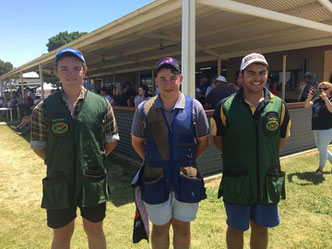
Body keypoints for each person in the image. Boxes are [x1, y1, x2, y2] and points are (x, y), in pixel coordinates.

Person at [30, 47, 120, 249]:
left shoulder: (102, 105)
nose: (71, 73)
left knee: (94, 230)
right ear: (56, 72)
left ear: (84, 70)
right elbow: (38, 146)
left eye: (76, 68)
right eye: (64, 68)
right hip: (59, 179)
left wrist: (90, 158)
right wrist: (58, 160)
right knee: (62, 233)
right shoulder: (43, 108)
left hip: (93, 178)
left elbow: (111, 141)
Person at [211, 53, 291, 249]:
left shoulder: (279, 105)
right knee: (236, 228)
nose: (257, 78)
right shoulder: (225, 107)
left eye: (261, 72)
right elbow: (218, 140)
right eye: (251, 73)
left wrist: (262, 155)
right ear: (241, 75)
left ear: (267, 74)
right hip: (238, 179)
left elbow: (279, 140)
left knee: (261, 227)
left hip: (267, 178)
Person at [131, 57, 209, 249]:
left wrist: (186, 162)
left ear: (180, 78)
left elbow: (203, 142)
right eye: (162, 78)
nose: (168, 83)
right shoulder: (144, 109)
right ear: (156, 81)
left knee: (183, 228)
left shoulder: (195, 107)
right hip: (155, 180)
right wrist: (153, 161)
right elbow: (137, 142)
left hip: (185, 179)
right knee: (159, 228)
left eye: (172, 77)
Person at [304, 81, 332, 175]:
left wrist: (326, 99)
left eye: (325, 89)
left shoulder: (330, 99)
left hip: (327, 128)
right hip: (316, 127)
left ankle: (320, 169)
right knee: (321, 148)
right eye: (320, 89)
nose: (322, 91)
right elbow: (306, 106)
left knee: (322, 148)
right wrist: (309, 97)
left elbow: (331, 110)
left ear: (330, 90)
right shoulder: (316, 99)